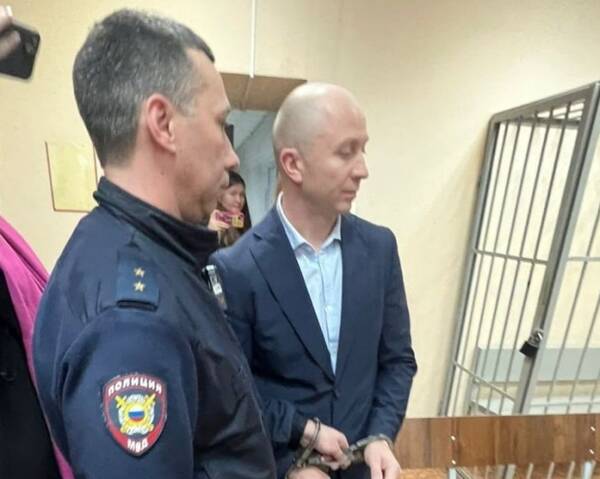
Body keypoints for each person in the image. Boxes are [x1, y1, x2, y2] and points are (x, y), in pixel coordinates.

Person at [33, 9, 276, 479]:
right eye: (220, 123)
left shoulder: (145, 254)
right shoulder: (131, 326)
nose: (232, 156)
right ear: (163, 123)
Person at [210, 83, 417, 479]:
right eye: (346, 152)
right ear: (293, 164)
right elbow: (234, 391)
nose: (362, 169)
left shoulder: (379, 249)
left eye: (363, 149)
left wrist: (381, 435)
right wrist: (296, 448)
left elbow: (397, 361)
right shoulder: (236, 268)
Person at [208, 170, 252, 247]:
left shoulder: (240, 222)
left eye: (242, 195)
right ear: (219, 196)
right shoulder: (207, 223)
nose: (238, 200)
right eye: (233, 194)